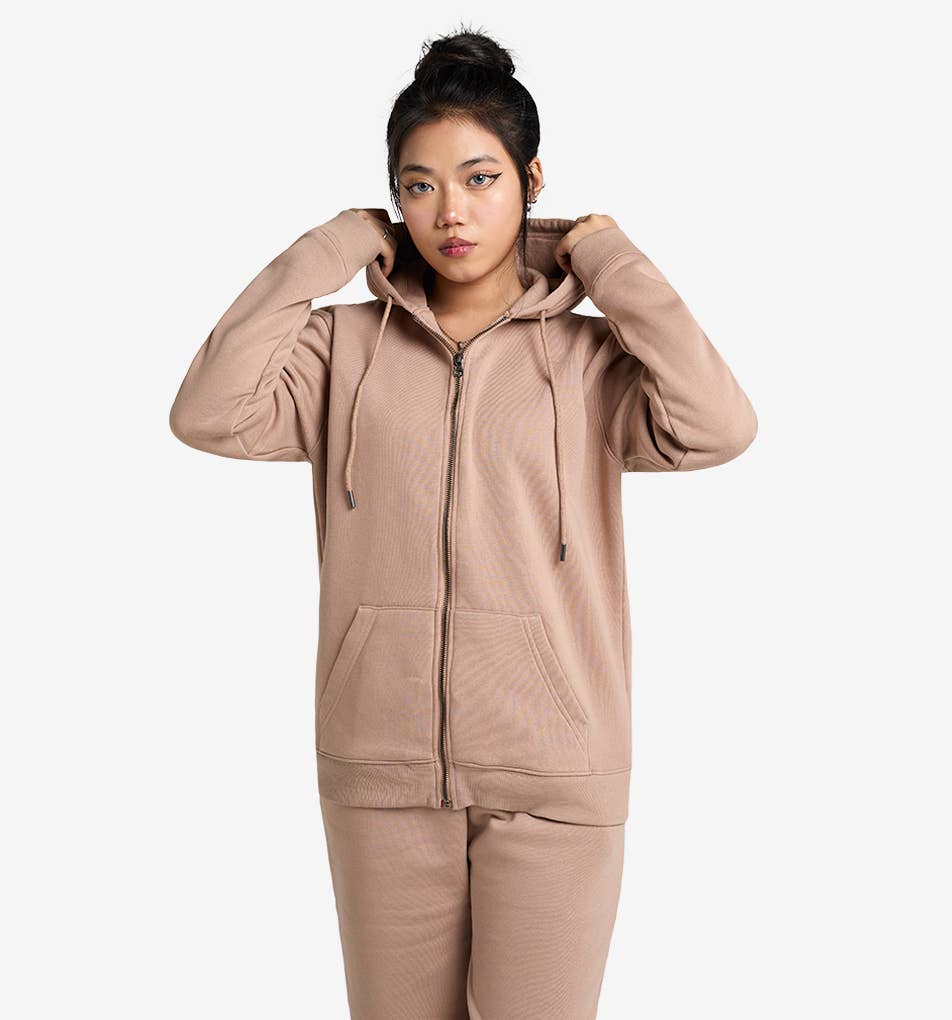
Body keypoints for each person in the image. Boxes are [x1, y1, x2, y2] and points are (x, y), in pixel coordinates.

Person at [169, 24, 758, 1020]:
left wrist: (602, 255)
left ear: (531, 181)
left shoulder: (592, 361)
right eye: (419, 186)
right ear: (393, 201)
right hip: (382, 774)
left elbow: (717, 425)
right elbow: (207, 413)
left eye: (481, 179)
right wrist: (331, 248)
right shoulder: (338, 351)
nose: (449, 211)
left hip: (557, 773)